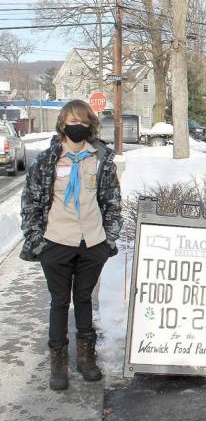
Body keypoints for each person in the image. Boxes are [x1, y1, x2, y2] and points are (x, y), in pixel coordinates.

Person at [20, 99, 122, 391]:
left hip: (92, 242)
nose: (76, 127)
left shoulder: (100, 158)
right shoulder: (47, 160)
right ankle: (58, 364)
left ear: (90, 125)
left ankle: (87, 360)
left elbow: (112, 202)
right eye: (71, 122)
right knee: (59, 302)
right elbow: (31, 203)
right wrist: (37, 241)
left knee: (85, 299)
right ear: (62, 125)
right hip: (56, 242)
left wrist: (109, 238)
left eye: (82, 122)